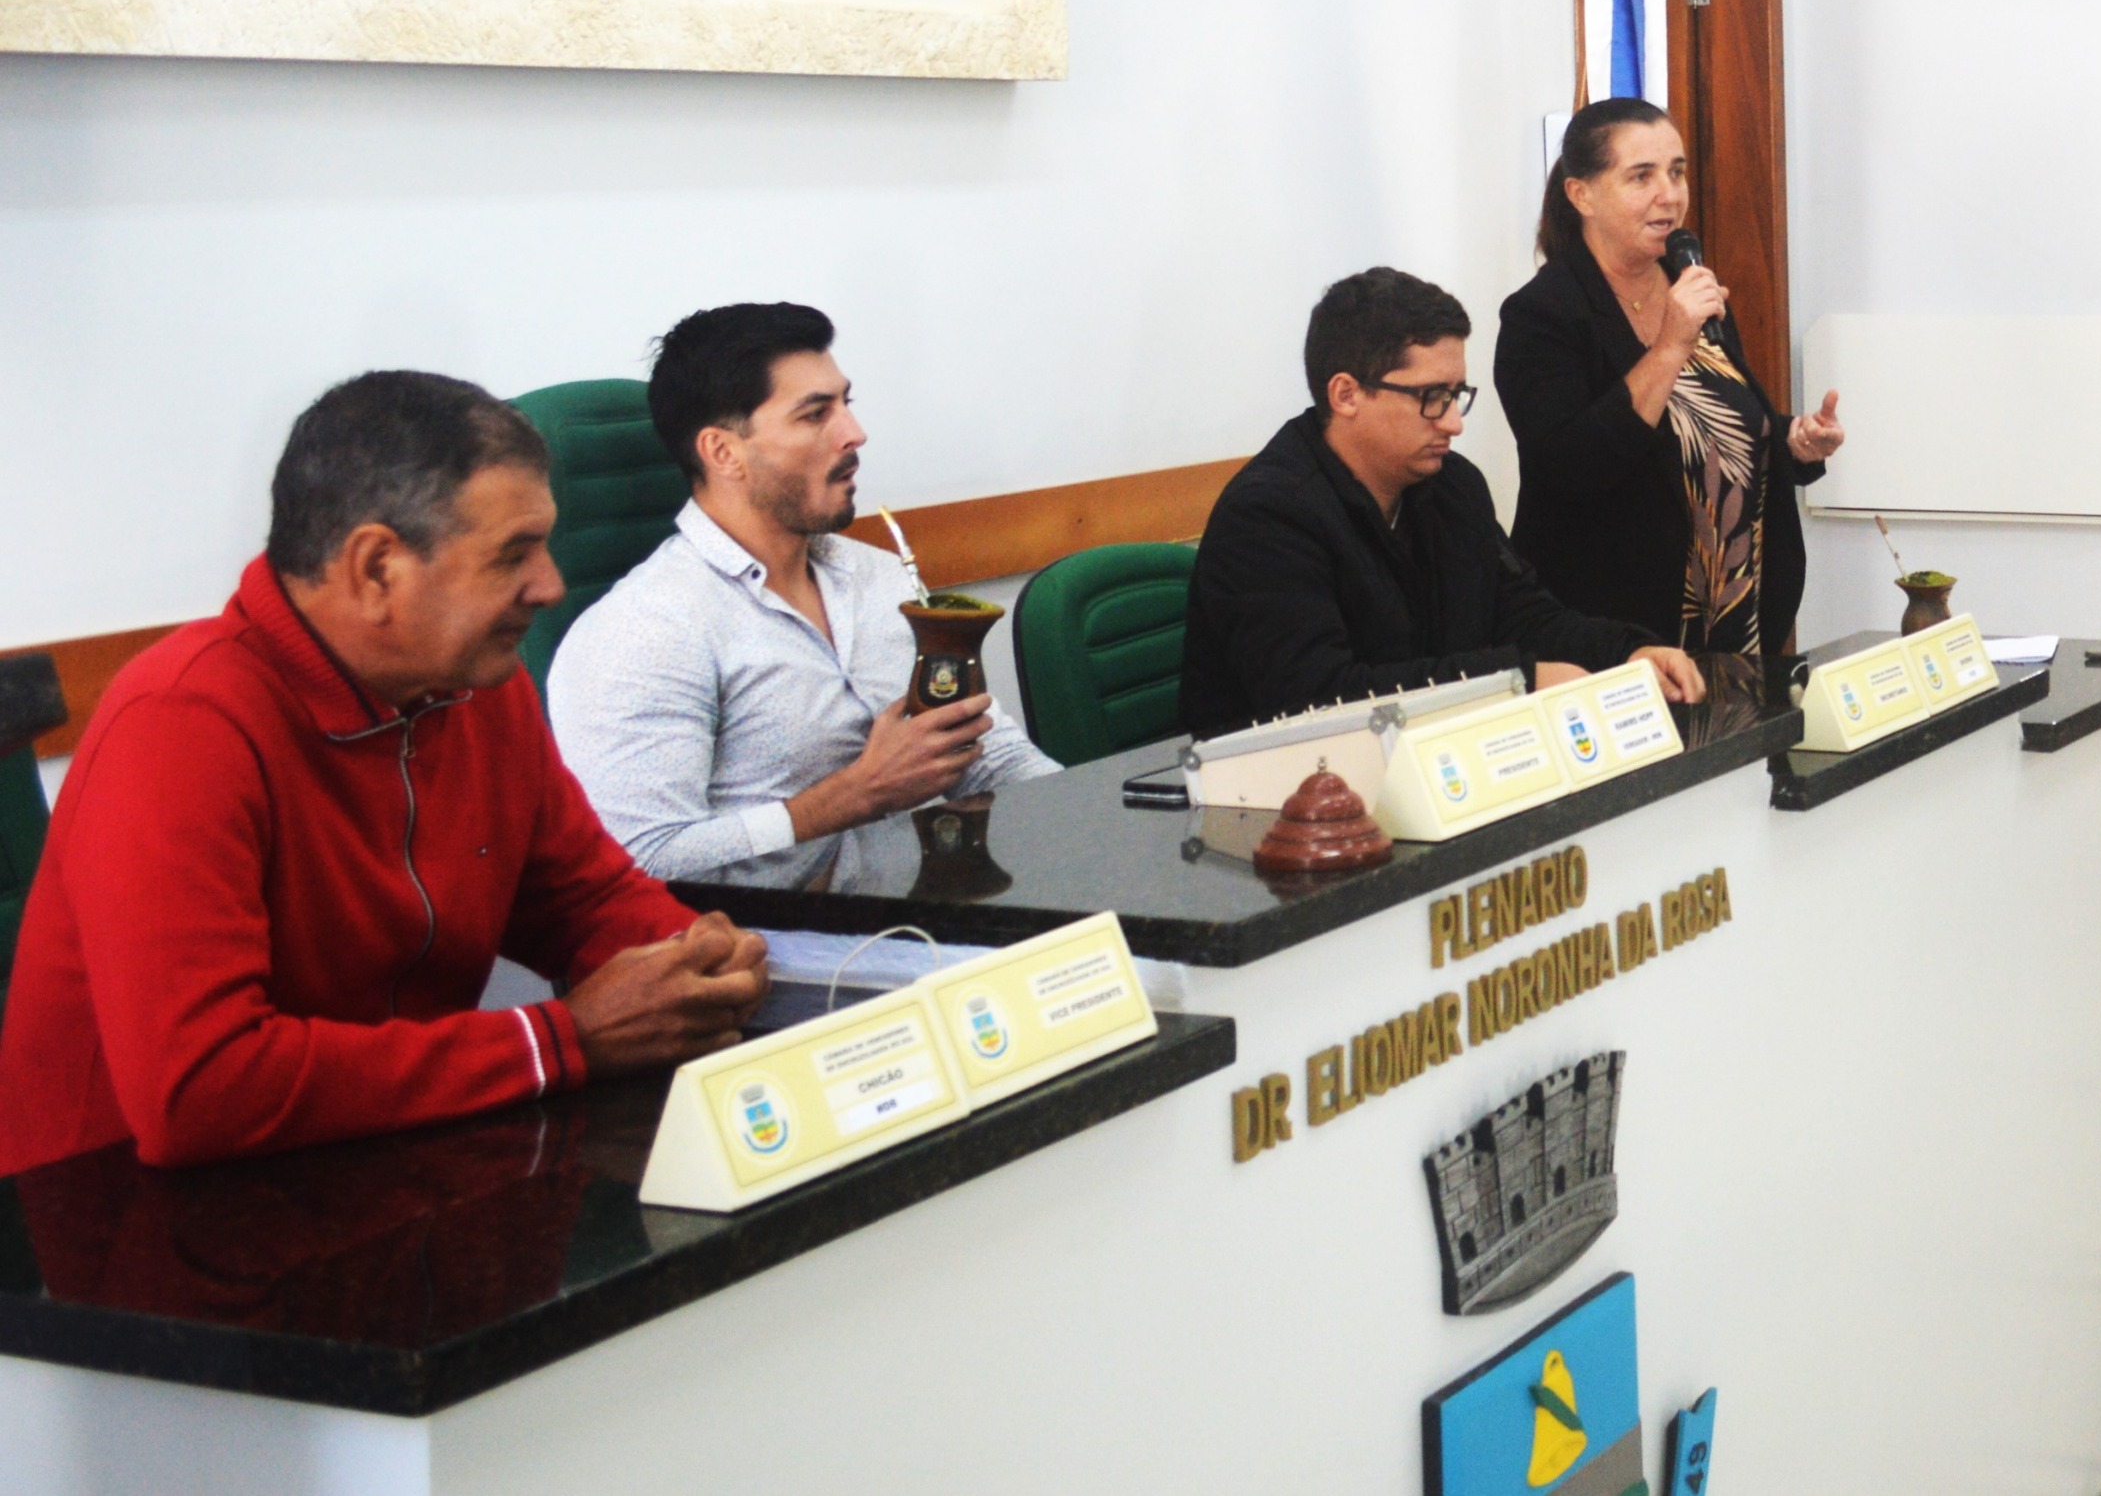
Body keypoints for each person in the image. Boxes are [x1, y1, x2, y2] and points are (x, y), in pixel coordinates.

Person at [0, 373, 768, 1177]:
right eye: (513, 554)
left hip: (377, 1157)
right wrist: (556, 1041)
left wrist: (694, 960)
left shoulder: (477, 687)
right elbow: (199, 1091)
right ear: (376, 569)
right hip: (126, 1213)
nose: (549, 585)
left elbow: (581, 898)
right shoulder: (177, 723)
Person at [552, 304, 1057, 877]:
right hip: (770, 930)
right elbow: (640, 862)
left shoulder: (882, 576)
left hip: (933, 906)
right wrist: (857, 794)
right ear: (723, 452)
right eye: (816, 414)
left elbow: (987, 755)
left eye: (846, 403)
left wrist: (1096, 824)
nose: (854, 433)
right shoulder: (643, 630)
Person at [1181, 267, 1707, 733]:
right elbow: (1318, 701)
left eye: (1456, 396)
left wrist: (1628, 651)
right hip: (1275, 795)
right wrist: (1518, 682)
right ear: (1346, 395)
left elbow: (1524, 615)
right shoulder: (1267, 518)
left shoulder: (1452, 487)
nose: (1454, 422)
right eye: (1431, 397)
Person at [1497, 100, 1845, 729]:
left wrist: (1792, 440)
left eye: (1677, 172)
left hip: (1736, 624)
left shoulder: (1687, 284)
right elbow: (1572, 466)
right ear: (1581, 194)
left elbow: (1715, 424)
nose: (1670, 195)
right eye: (1642, 176)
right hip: (1619, 635)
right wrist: (1669, 345)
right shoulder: (1542, 315)